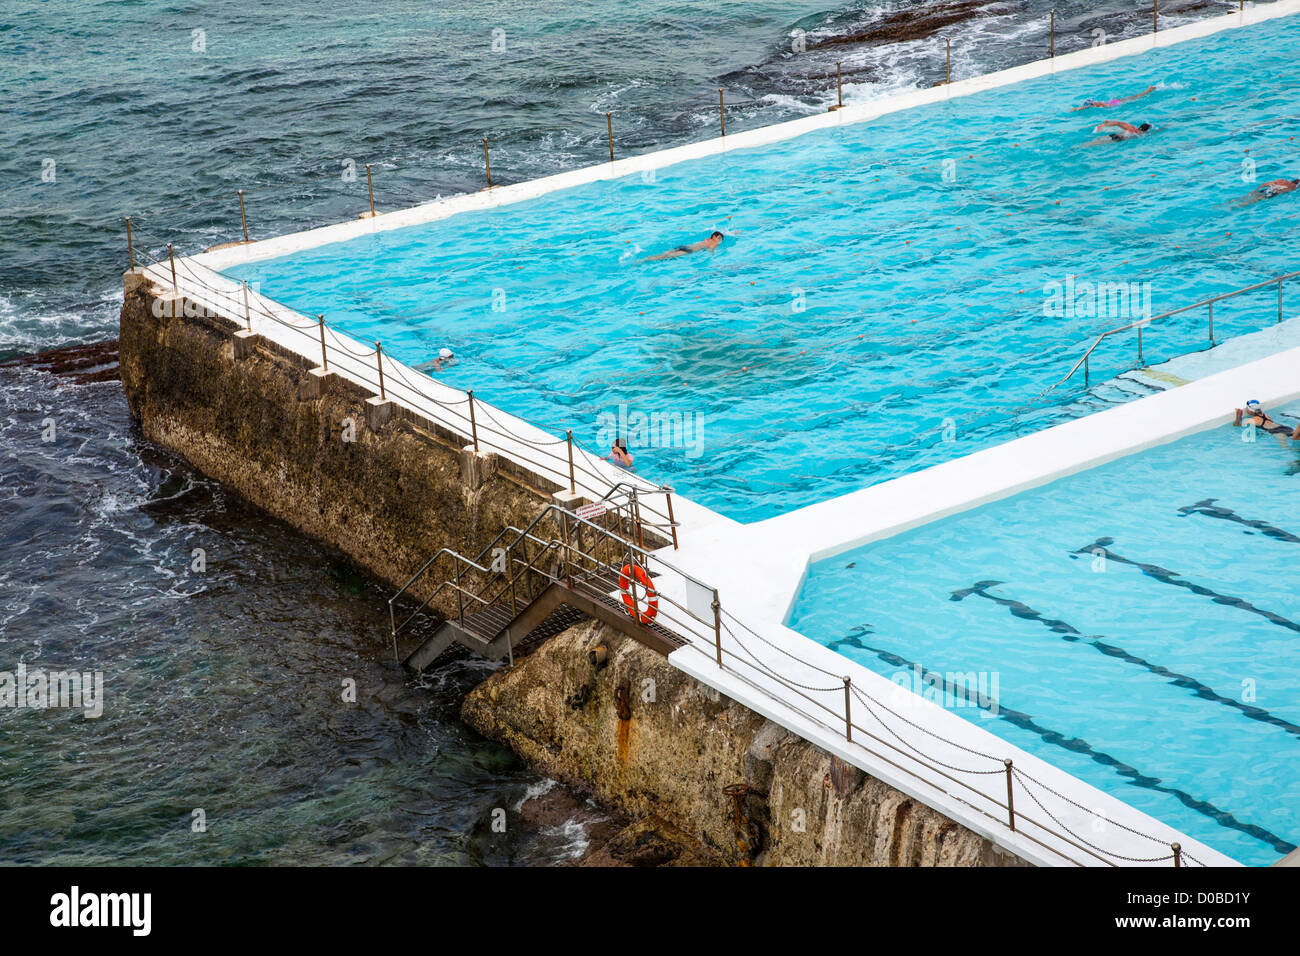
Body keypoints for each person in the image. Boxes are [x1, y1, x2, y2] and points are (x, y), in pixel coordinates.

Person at [1234, 400, 1300, 442]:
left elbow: (1237, 425)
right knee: (1295, 436)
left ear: (1249, 410)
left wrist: (1238, 416)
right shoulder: (1266, 416)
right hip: (1286, 428)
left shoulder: (1252, 420)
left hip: (1277, 432)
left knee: (1290, 446)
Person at [643, 231, 724, 262]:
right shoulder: (714, 243)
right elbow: (711, 249)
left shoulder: (707, 239)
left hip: (685, 246)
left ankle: (646, 258)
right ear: (714, 236)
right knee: (665, 257)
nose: (719, 240)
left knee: (665, 254)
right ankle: (643, 260)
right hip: (689, 250)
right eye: (719, 238)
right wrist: (712, 256)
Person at [1071, 86, 1157, 111]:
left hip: (1113, 103)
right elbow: (1085, 107)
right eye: (1093, 102)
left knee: (1133, 98)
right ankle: (1148, 91)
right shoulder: (1095, 106)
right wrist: (1075, 109)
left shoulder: (1099, 105)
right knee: (1133, 98)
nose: (1096, 101)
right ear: (1092, 104)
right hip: (1114, 104)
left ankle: (1148, 91)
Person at [1233, 178, 1300, 207]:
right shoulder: (1293, 188)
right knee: (1255, 200)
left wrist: (1256, 189)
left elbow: (1266, 184)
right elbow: (1282, 191)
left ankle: (1232, 201)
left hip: (1267, 189)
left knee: (1246, 197)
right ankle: (1239, 206)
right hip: (1274, 192)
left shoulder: (1282, 181)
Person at [1085, 120, 1153, 146]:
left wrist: (1107, 123)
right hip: (1116, 139)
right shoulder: (1139, 133)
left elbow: (1119, 123)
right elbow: (1118, 123)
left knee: (1092, 143)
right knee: (1092, 144)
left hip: (1114, 136)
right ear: (1146, 130)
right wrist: (1104, 125)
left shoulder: (1132, 128)